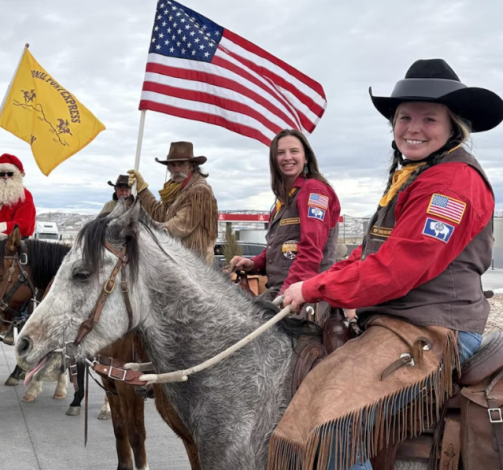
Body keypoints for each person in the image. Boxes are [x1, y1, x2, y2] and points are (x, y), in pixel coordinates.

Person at [273, 59, 502, 470]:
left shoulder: (452, 183)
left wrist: (311, 289)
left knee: (332, 426)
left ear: (454, 127)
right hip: (399, 320)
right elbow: (369, 255)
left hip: (432, 325)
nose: (413, 128)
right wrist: (320, 282)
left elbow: (399, 268)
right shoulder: (418, 174)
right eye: (404, 118)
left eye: (428, 119)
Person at [227, 129, 341, 296]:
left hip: (306, 295)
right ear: (274, 160)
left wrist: (286, 294)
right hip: (282, 290)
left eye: (294, 151)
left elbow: (311, 249)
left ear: (306, 157)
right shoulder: (284, 201)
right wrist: (253, 263)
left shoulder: (313, 190)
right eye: (281, 153)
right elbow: (279, 249)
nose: (287, 157)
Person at [127, 141, 218, 263]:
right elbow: (160, 214)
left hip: (196, 267)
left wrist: (144, 234)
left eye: (181, 164)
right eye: (173, 165)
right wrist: (142, 190)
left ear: (192, 166)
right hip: (178, 261)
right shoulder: (176, 189)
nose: (176, 169)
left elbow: (178, 226)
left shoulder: (199, 191)